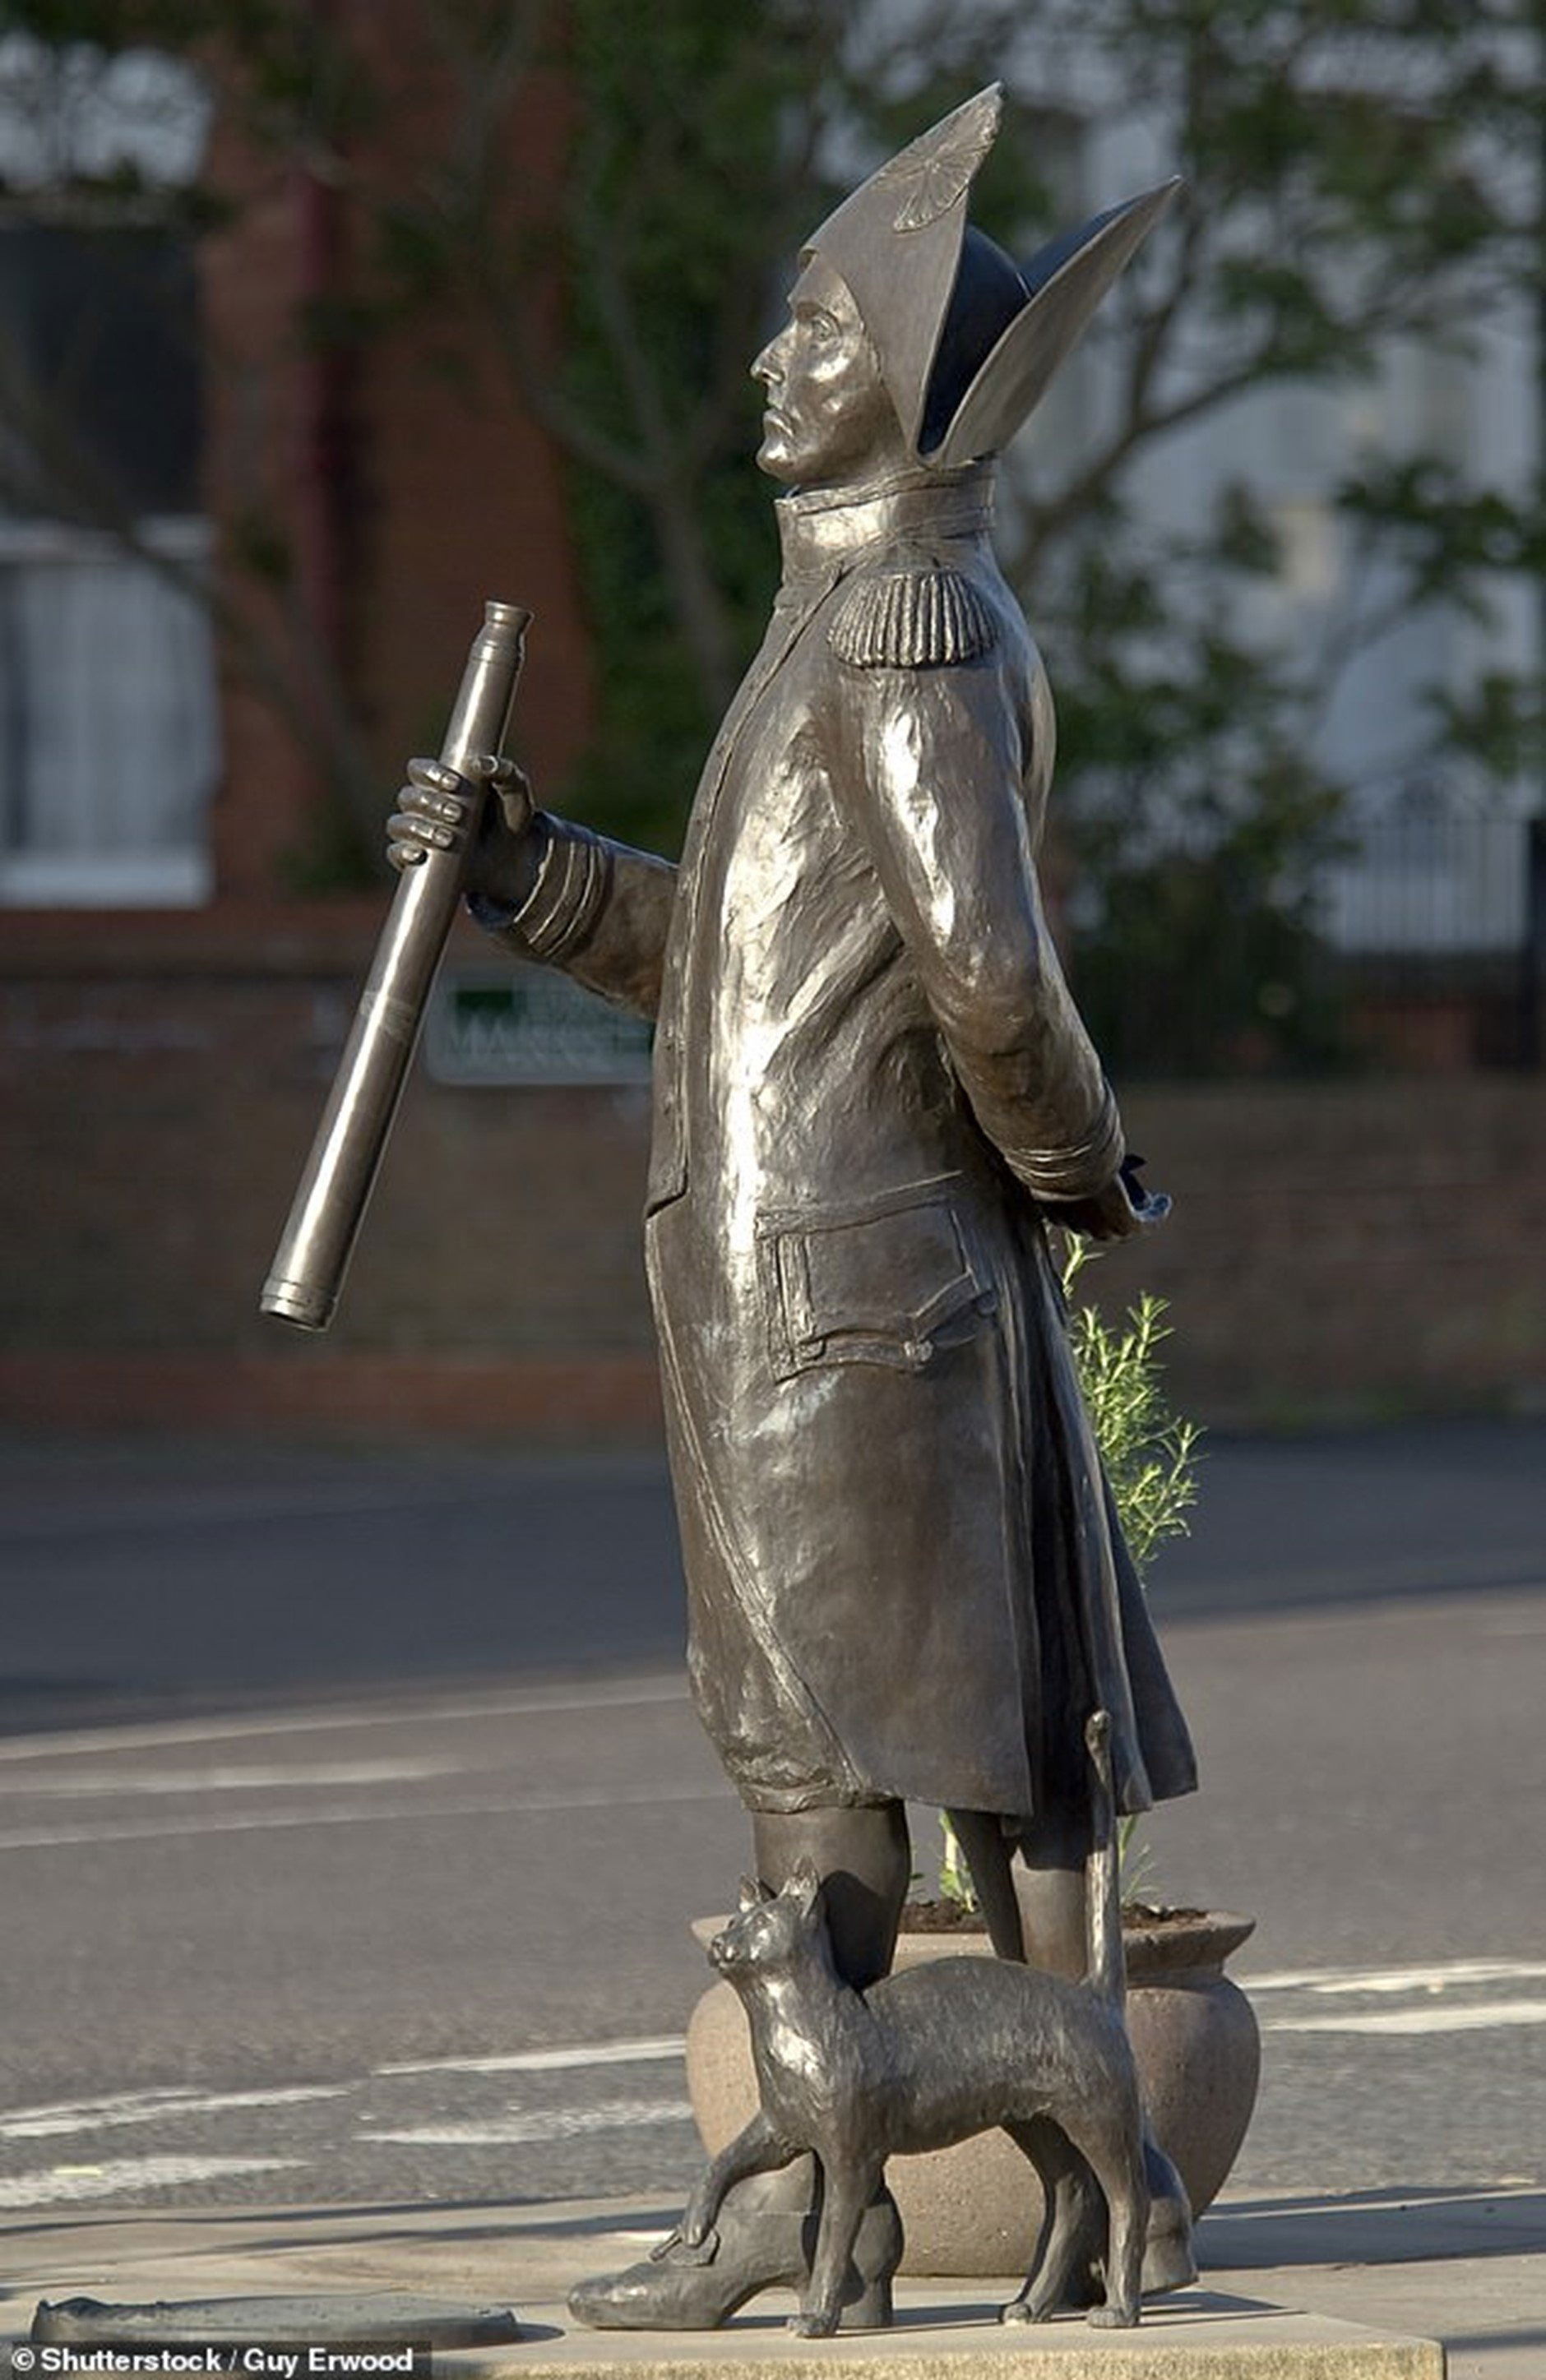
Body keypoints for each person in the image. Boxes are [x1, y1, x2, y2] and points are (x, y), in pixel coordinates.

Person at [389, 85, 1198, 2325]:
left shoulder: (901, 631)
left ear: (914, 394)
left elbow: (987, 972)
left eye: (816, 331)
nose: (770, 364)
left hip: (852, 1290)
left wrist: (1072, 1171)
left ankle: (845, 2201)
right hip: (807, 1281)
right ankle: (918, 2195)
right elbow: (754, 969)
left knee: (883, 1749)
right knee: (868, 1739)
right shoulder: (844, 625)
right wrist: (535, 879)